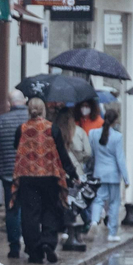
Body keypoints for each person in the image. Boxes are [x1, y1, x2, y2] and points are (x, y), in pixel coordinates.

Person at [14, 97, 75, 265]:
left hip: (27, 177)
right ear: (44, 110)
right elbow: (62, 153)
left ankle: (34, 252)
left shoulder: (22, 129)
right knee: (50, 210)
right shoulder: (52, 128)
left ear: (29, 110)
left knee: (29, 214)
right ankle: (48, 241)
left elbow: (15, 146)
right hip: (49, 176)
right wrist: (72, 172)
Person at [0, 89, 29, 258]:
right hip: (28, 173)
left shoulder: (0, 120)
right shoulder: (32, 121)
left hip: (7, 172)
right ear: (24, 101)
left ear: (9, 103)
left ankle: (14, 246)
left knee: (11, 209)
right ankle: (30, 242)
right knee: (29, 209)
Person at [88, 104, 130, 242]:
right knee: (113, 203)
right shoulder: (117, 137)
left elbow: (91, 154)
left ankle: (94, 221)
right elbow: (120, 159)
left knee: (98, 200)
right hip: (113, 175)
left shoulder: (93, 134)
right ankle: (112, 233)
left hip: (98, 173)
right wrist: (126, 178)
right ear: (115, 121)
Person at [54, 105, 92, 250]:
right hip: (77, 171)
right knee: (75, 202)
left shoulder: (55, 131)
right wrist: (80, 159)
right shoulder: (80, 132)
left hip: (59, 171)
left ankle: (64, 229)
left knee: (62, 200)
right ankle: (77, 226)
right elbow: (88, 152)